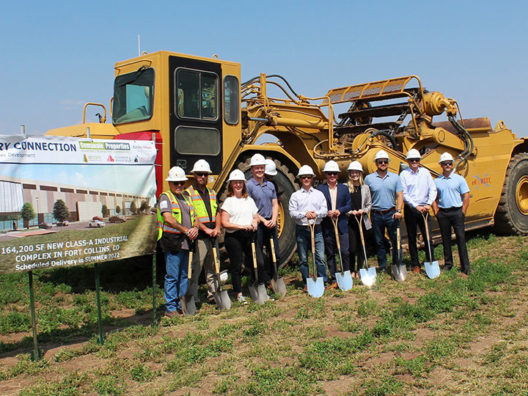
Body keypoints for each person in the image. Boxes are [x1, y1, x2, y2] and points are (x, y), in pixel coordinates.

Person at [157, 166, 198, 317]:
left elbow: (195, 217)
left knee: (183, 275)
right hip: (173, 242)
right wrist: (185, 230)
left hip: (187, 242)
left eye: (181, 182)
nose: (179, 185)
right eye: (176, 183)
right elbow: (168, 218)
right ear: (170, 183)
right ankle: (170, 308)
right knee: (172, 276)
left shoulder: (186, 198)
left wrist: (195, 228)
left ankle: (180, 304)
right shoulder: (165, 198)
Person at [220, 169, 260, 304]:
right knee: (236, 265)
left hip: (248, 235)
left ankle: (256, 286)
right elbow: (225, 223)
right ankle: (238, 293)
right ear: (231, 185)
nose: (238, 185)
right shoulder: (229, 202)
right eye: (235, 183)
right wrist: (242, 226)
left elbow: (255, 216)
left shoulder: (249, 200)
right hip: (234, 237)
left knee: (254, 262)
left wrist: (255, 221)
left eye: (240, 183)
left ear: (243, 184)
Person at [185, 159, 221, 305]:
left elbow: (217, 212)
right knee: (196, 268)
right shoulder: (188, 194)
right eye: (199, 174)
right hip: (199, 237)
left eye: (205, 174)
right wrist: (206, 229)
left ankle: (213, 293)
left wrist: (217, 229)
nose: (202, 177)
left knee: (213, 266)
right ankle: (193, 296)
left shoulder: (212, 193)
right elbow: (192, 216)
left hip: (213, 236)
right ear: (194, 175)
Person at [288, 165, 328, 289]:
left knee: (320, 257)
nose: (306, 179)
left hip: (317, 228)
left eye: (308, 177)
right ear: (300, 179)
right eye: (303, 177)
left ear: (312, 179)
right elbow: (292, 212)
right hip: (302, 229)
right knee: (303, 258)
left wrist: (316, 214)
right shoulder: (295, 196)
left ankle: (323, 281)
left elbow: (325, 210)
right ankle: (306, 282)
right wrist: (304, 214)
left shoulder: (319, 194)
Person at [364, 150, 404, 274]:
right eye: (380, 162)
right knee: (379, 241)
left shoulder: (395, 177)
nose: (382, 163)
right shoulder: (369, 179)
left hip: (391, 213)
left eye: (385, 162)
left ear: (388, 163)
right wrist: (368, 215)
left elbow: (400, 195)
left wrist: (399, 210)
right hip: (376, 214)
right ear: (376, 163)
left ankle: (397, 264)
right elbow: (366, 198)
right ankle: (382, 266)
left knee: (396, 240)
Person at [432, 152, 471, 275]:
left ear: (452, 165)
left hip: (457, 212)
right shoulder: (437, 181)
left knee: (461, 238)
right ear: (441, 165)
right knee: (446, 239)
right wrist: (436, 211)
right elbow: (433, 197)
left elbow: (466, 196)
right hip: (443, 213)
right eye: (445, 164)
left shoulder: (459, 179)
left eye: (449, 163)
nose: (447, 165)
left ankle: (465, 266)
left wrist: (463, 212)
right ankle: (448, 264)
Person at [400, 149, 437, 273]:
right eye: (412, 160)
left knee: (427, 236)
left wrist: (428, 204)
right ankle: (415, 263)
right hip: (411, 209)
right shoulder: (404, 175)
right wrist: (416, 206)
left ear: (419, 161)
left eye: (416, 160)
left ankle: (430, 259)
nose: (414, 162)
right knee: (412, 237)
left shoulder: (425, 173)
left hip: (425, 208)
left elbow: (433, 189)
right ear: (408, 161)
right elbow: (404, 193)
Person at [317, 160, 351, 288]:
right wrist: (327, 212)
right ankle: (334, 277)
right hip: (328, 225)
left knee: (345, 251)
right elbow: (318, 205)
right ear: (325, 175)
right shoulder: (320, 189)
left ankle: (346, 273)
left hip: (341, 224)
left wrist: (339, 211)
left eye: (334, 174)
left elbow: (348, 205)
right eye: (329, 174)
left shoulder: (344, 188)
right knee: (330, 253)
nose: (332, 176)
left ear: (337, 175)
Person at [246, 154, 278, 289]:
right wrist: (263, 221)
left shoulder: (270, 185)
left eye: (262, 168)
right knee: (258, 255)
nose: (260, 170)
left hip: (270, 223)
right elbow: (250, 208)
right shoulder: (248, 185)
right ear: (252, 169)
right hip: (258, 224)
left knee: (275, 253)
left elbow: (275, 204)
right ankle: (260, 280)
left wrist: (274, 220)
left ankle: (272, 279)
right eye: (257, 168)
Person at [346, 161, 372, 278]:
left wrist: (364, 211)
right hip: (351, 221)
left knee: (362, 246)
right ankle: (352, 270)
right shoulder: (346, 187)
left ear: (360, 174)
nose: (354, 174)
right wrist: (350, 212)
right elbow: (343, 204)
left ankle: (360, 269)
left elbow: (369, 204)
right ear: (350, 174)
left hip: (363, 221)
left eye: (356, 172)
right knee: (352, 248)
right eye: (352, 172)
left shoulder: (365, 188)